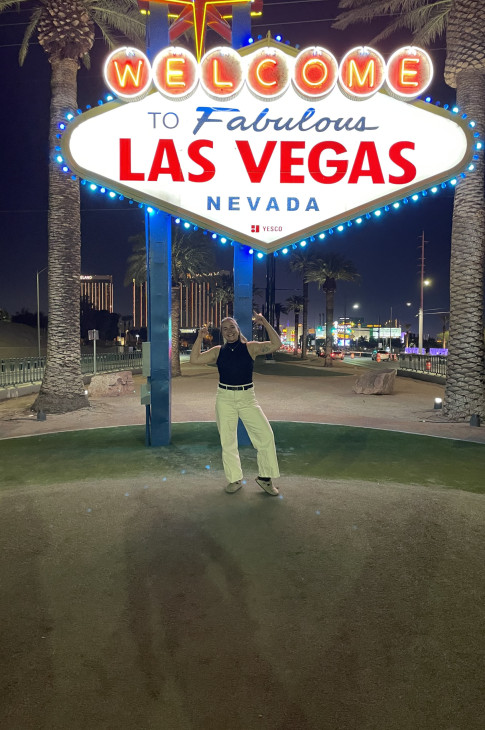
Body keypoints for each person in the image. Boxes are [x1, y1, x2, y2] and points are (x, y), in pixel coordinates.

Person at [190, 313, 281, 495]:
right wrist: (200, 337)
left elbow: (276, 344)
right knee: (228, 441)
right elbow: (195, 359)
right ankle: (234, 479)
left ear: (238, 329)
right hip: (224, 398)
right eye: (225, 328)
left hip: (247, 397)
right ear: (222, 333)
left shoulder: (250, 348)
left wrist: (264, 322)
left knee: (266, 435)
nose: (229, 331)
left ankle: (265, 478)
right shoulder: (218, 351)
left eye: (232, 327)